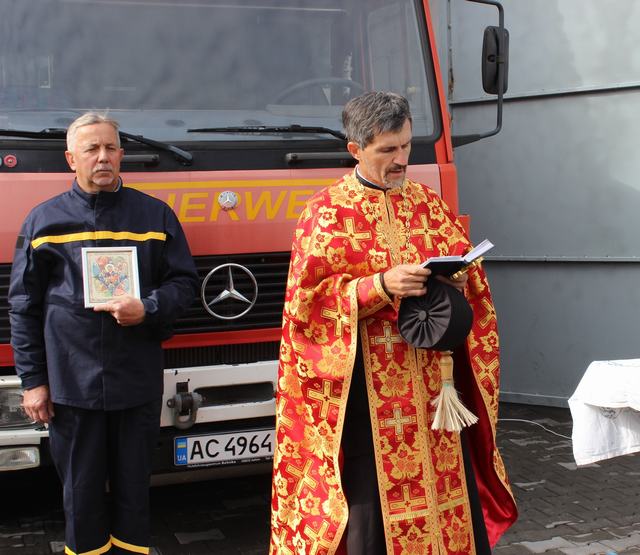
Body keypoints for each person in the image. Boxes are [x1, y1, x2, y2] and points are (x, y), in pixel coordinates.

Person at [269, 92, 517, 554]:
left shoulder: (428, 204)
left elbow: (466, 271)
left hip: (436, 386)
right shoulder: (326, 213)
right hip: (367, 393)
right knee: (371, 502)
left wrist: (457, 282)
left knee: (448, 485)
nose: (402, 159)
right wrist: (380, 285)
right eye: (388, 150)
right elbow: (306, 310)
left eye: (406, 146)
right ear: (355, 150)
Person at [9, 112, 199, 555]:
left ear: (122, 155)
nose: (102, 157)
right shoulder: (43, 222)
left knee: (135, 494)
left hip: (136, 381)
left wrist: (148, 308)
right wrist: (33, 382)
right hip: (72, 386)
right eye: (91, 149)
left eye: (111, 148)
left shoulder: (154, 215)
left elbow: (184, 284)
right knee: (81, 496)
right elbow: (23, 307)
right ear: (70, 159)